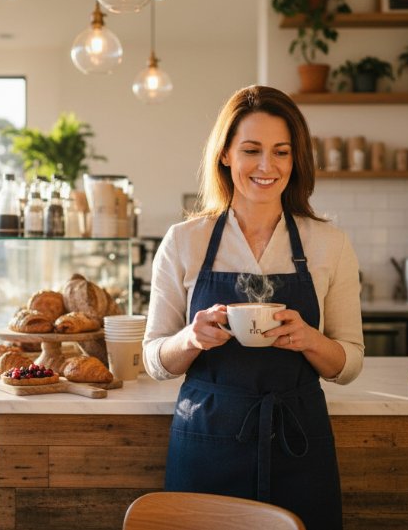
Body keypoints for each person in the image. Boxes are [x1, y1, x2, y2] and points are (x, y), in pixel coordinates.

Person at [144, 85, 364, 529]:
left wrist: (310, 340)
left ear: (295, 159)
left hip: (298, 441)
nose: (267, 167)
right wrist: (191, 338)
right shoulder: (185, 241)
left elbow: (349, 362)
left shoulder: (329, 244)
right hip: (207, 440)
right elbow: (155, 359)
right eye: (251, 150)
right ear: (225, 154)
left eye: (281, 152)